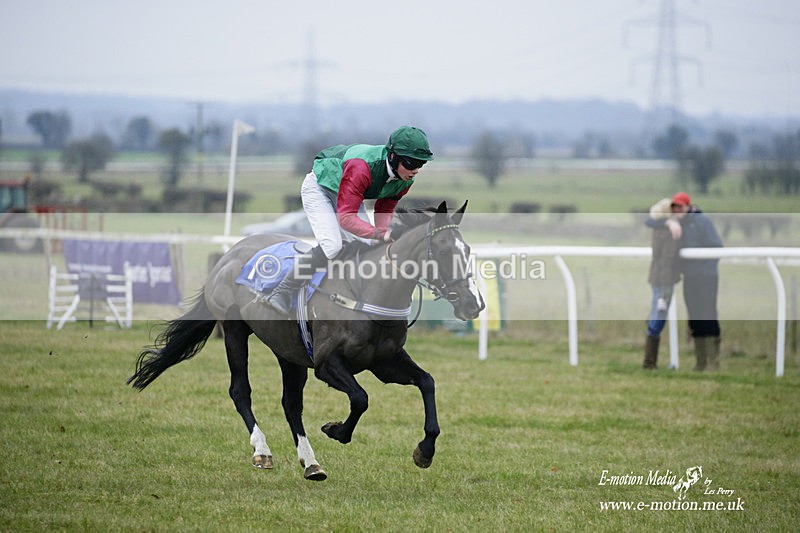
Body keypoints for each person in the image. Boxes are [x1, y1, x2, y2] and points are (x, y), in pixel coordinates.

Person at [265, 126, 435, 314]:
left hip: (347, 193)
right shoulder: (361, 168)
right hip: (319, 187)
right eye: (411, 164)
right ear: (393, 157)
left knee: (370, 243)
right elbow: (346, 219)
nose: (416, 170)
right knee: (332, 245)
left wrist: (382, 233)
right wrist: (382, 233)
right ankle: (282, 291)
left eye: (421, 164)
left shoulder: (405, 179)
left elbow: (384, 207)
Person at [670, 192, 724, 371]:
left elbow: (717, 247)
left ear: (687, 206)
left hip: (706, 277)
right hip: (690, 278)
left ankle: (713, 362)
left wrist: (701, 267)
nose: (677, 210)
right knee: (694, 317)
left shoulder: (703, 222)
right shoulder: (678, 224)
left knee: (708, 315)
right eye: (674, 207)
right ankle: (701, 362)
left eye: (679, 206)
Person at [642, 198, 683, 369]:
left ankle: (650, 361)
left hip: (656, 278)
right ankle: (649, 362)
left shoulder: (659, 228)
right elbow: (667, 260)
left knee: (656, 315)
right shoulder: (669, 232)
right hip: (664, 280)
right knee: (659, 318)